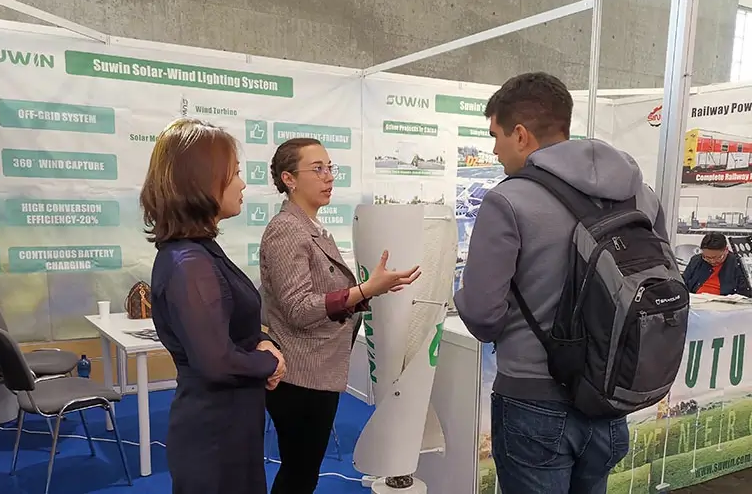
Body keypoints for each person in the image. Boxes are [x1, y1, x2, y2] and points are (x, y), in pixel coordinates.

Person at [454, 73, 670, 494]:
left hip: (533, 401)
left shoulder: (508, 200)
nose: (494, 150)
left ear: (520, 135)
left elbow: (482, 316)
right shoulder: (641, 195)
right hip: (610, 396)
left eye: (495, 136)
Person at [260, 137, 420, 494]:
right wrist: (364, 290)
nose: (329, 176)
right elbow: (299, 309)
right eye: (317, 169)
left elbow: (323, 297)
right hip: (301, 376)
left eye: (329, 167)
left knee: (302, 474)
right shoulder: (288, 229)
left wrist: (370, 291)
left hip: (317, 371)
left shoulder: (311, 228)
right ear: (289, 179)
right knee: (299, 475)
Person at [140, 118, 286, 494]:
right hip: (214, 436)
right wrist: (269, 362)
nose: (243, 183)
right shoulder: (189, 263)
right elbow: (216, 361)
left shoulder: (200, 251)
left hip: (231, 427)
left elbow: (230, 328)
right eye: (234, 173)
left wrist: (262, 343)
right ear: (202, 181)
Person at [683, 232, 751, 296]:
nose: (712, 261)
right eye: (707, 257)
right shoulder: (696, 260)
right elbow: (683, 284)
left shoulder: (737, 264)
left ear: (726, 250)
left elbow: (745, 292)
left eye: (717, 257)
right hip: (696, 299)